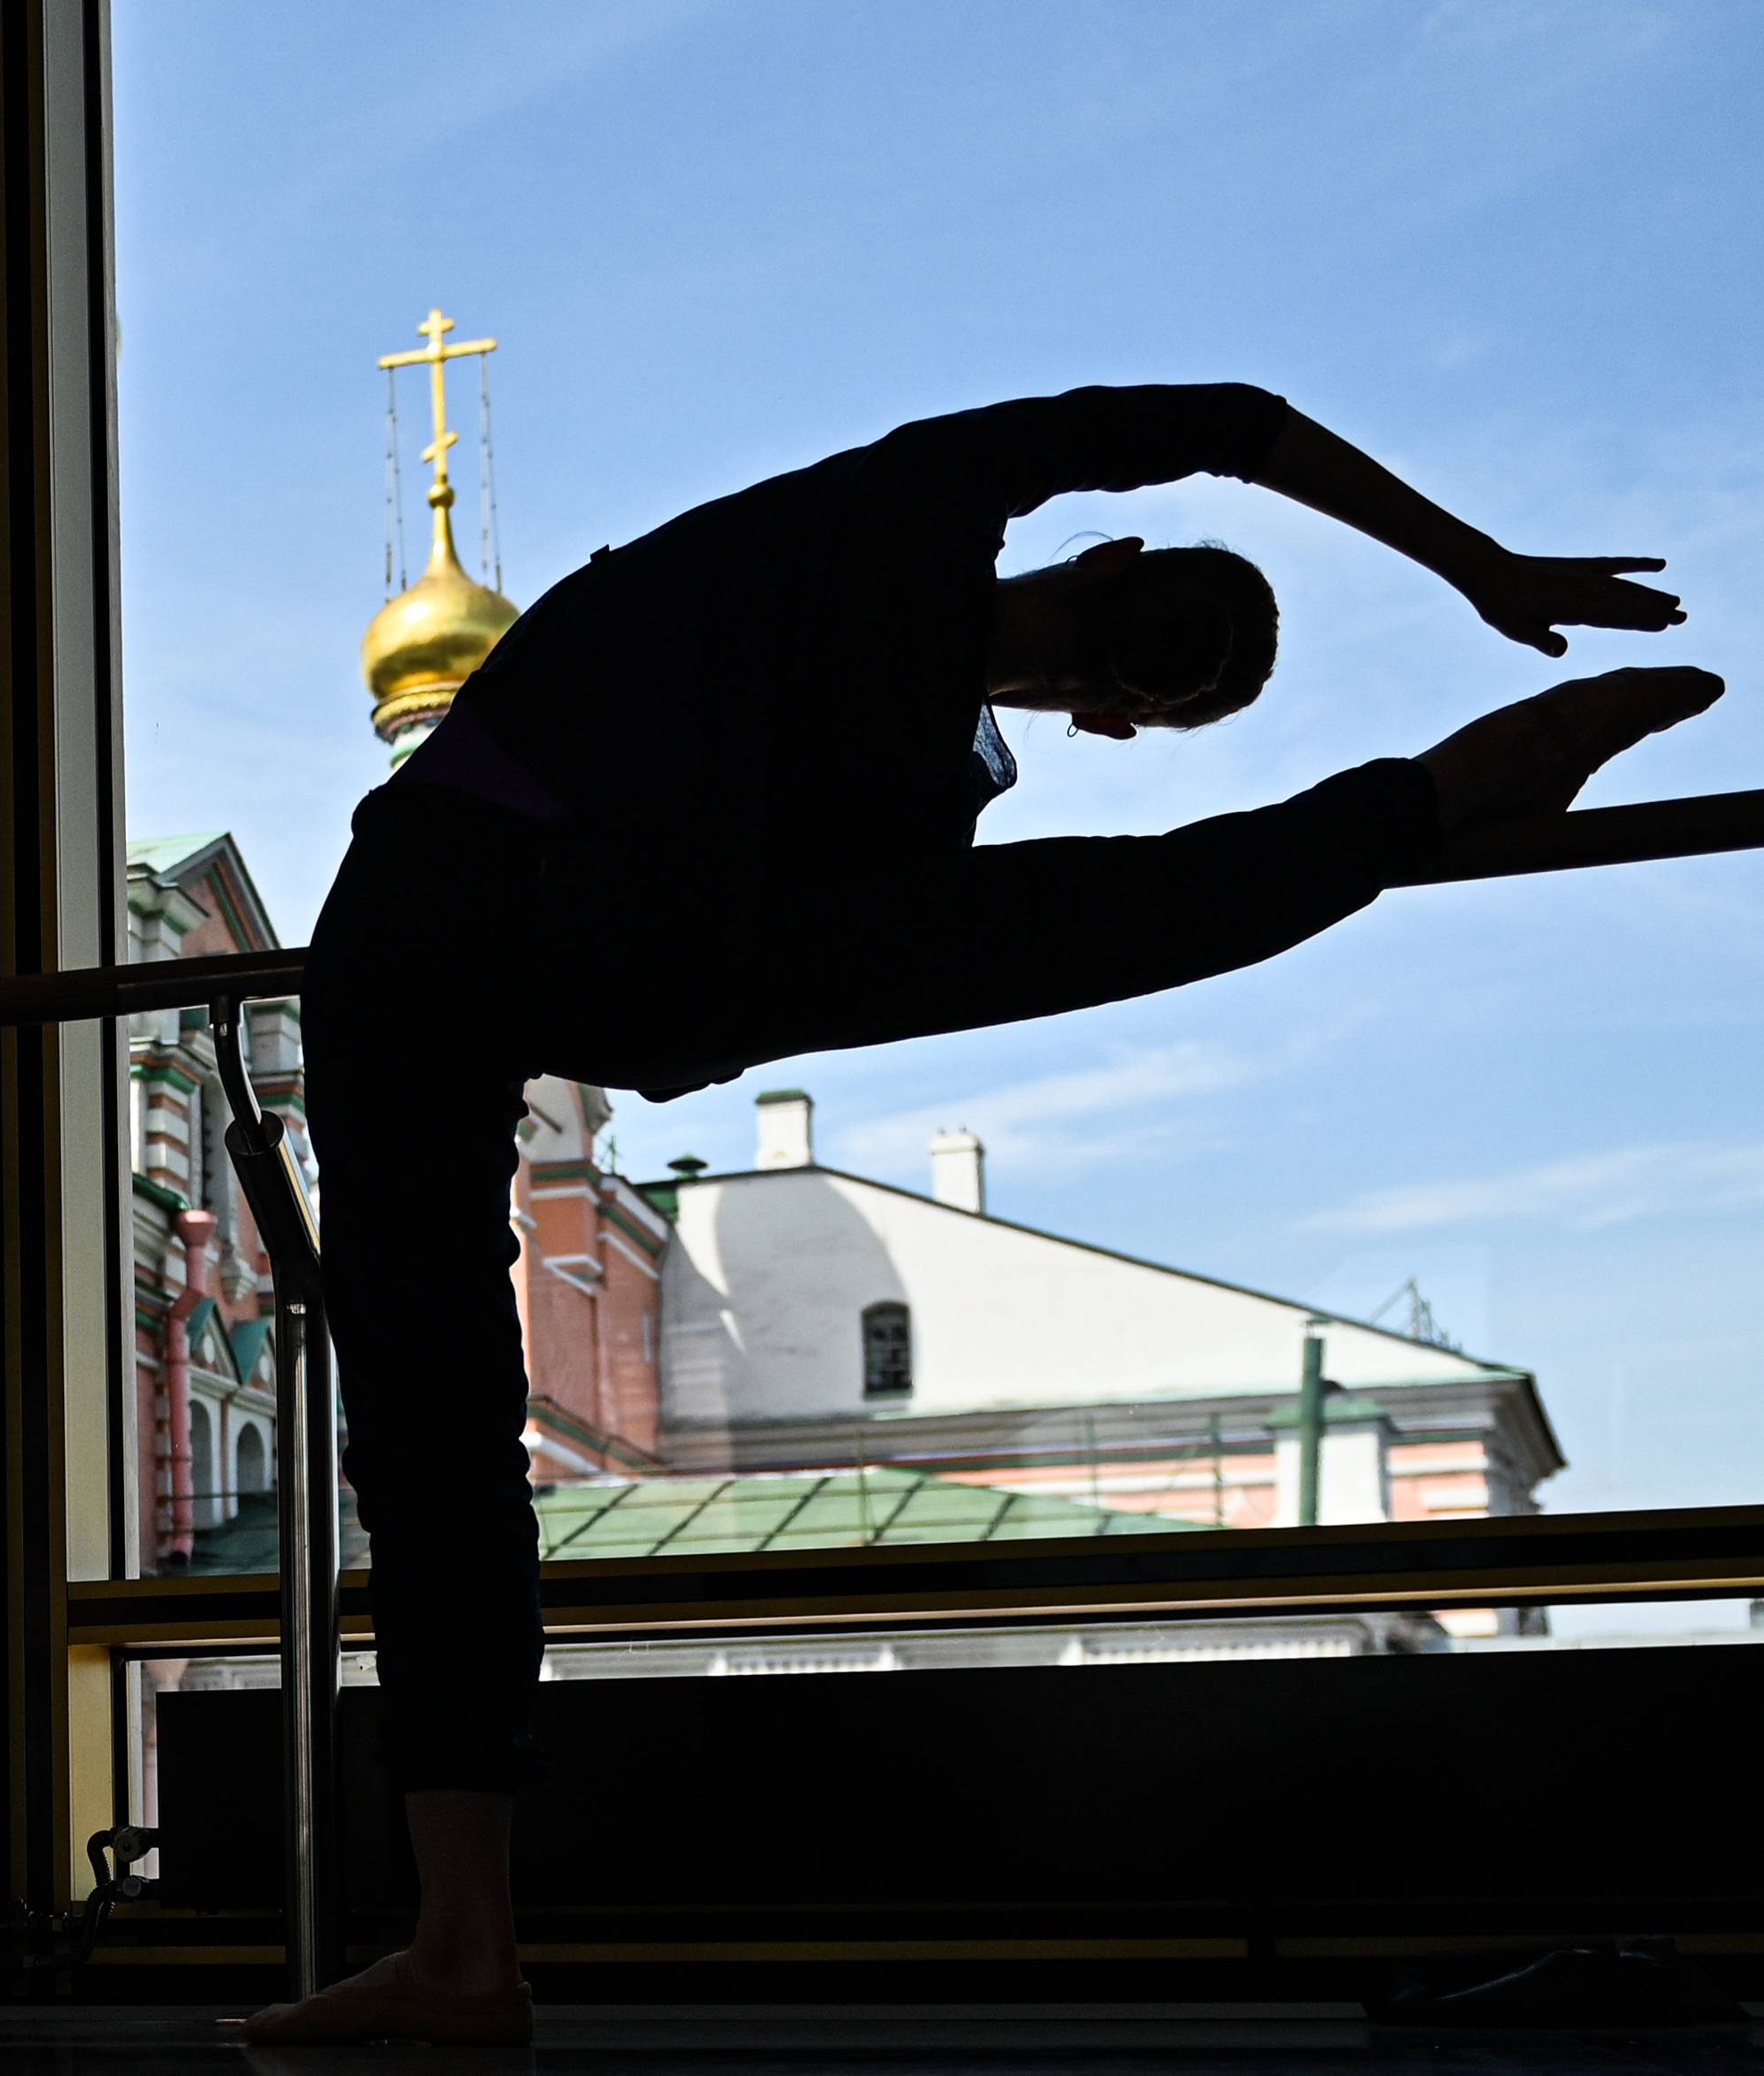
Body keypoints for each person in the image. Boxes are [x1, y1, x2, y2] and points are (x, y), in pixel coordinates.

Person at [251, 383, 1714, 2047]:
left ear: (1102, 566)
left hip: (450, 931)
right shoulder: (913, 683)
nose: (1098, 705)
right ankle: (1430, 804)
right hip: (581, 948)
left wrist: (1476, 563)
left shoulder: (903, 533)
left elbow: (1227, 418)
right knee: (1103, 916)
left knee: (436, 1439)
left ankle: (462, 1945)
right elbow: (1221, 442)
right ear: (1113, 715)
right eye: (1135, 693)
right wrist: (1477, 573)